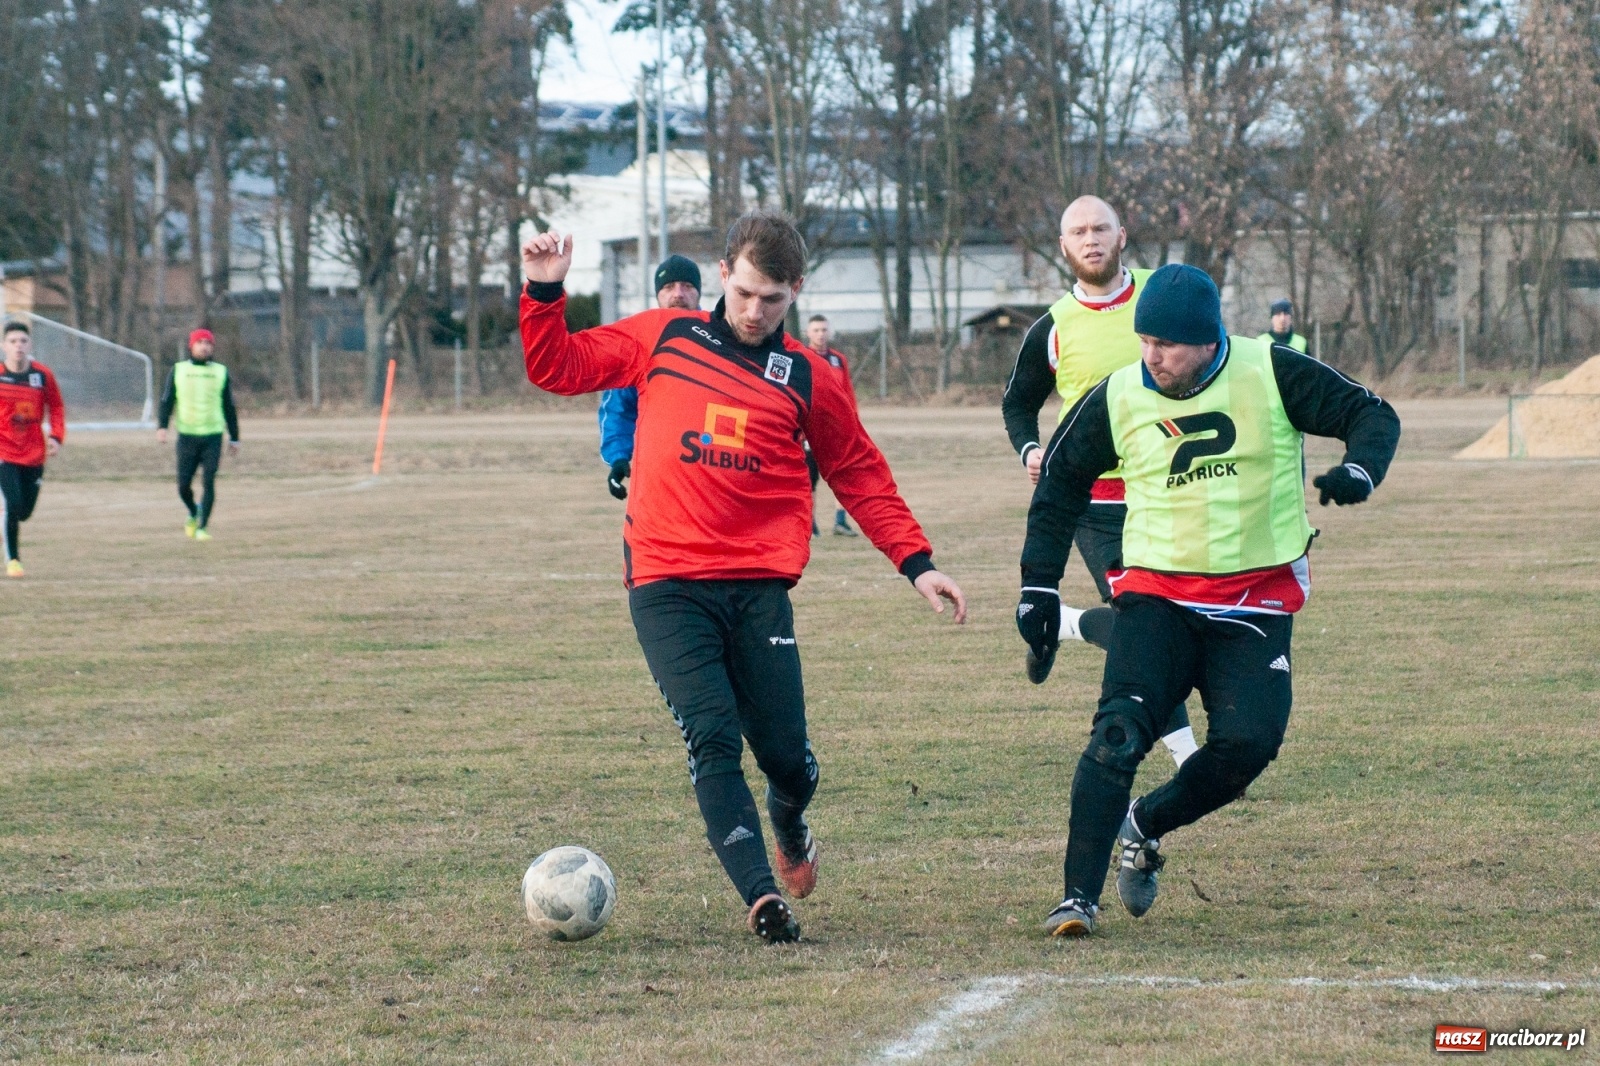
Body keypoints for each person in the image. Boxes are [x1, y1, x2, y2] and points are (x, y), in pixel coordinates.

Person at [520, 212, 967, 944]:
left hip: (758, 587)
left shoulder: (809, 377)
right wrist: (544, 293)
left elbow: (857, 471)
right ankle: (762, 898)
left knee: (788, 760)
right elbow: (556, 367)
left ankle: (789, 820)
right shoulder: (665, 336)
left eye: (774, 300)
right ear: (723, 274)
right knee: (712, 736)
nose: (756, 312)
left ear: (796, 292)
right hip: (665, 580)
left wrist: (916, 563)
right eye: (746, 293)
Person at [1015, 264, 1400, 937]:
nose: (1150, 357)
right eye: (1143, 342)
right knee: (1117, 734)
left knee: (1247, 746)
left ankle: (1146, 824)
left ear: (1207, 339)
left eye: (1166, 345)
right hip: (1156, 596)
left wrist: (1361, 468)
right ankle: (1077, 897)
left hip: (1254, 603)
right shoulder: (1120, 395)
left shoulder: (1269, 372)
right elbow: (1060, 485)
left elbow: (1369, 412)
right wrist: (1038, 583)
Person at [1000, 195, 1196, 768]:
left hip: (1172, 491)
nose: (1091, 239)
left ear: (1122, 235)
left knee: (1183, 618)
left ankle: (1060, 623)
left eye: (1100, 229)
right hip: (1097, 504)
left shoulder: (1166, 295)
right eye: (1079, 232)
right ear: (1064, 247)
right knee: (1143, 626)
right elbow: (1017, 404)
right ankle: (1188, 757)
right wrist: (1031, 449)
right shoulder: (1054, 328)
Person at [598, 255, 703, 500]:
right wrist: (618, 458)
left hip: (713, 471)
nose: (678, 294)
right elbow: (617, 408)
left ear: (698, 293)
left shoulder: (723, 339)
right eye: (668, 287)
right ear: (658, 295)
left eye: (687, 286)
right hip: (659, 475)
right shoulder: (639, 343)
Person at [157, 329, 240, 541]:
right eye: (200, 342)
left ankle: (203, 528)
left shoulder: (220, 372)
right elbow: (167, 400)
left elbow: (229, 407)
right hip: (187, 436)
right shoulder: (179, 370)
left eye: (208, 343)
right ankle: (194, 512)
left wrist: (234, 437)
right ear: (191, 346)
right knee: (183, 486)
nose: (205, 346)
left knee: (209, 481)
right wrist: (162, 426)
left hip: (212, 436)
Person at [0, 321, 65, 577]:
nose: (18, 346)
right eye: (13, 341)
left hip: (34, 453)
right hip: (4, 452)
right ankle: (13, 559)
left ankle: (7, 516)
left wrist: (56, 437)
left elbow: (57, 407)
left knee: (24, 512)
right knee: (13, 504)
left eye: (23, 341)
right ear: (4, 346)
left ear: (30, 345)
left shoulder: (42, 376)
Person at [803, 314, 858, 537]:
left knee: (841, 475)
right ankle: (810, 523)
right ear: (808, 333)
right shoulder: (801, 356)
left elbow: (847, 393)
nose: (820, 334)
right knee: (809, 477)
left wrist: (852, 421)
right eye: (816, 330)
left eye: (824, 330)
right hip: (810, 427)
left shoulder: (838, 359)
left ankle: (840, 521)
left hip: (836, 428)